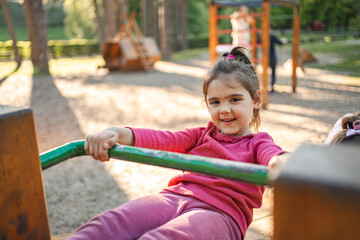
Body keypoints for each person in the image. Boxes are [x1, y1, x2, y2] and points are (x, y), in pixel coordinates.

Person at [66, 47, 287, 240]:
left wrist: (283, 162)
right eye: (215, 102)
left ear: (256, 100)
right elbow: (160, 139)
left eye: (235, 99)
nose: (224, 109)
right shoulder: (201, 135)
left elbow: (274, 156)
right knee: (108, 223)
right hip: (174, 198)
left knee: (163, 238)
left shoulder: (257, 143)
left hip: (221, 214)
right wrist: (115, 132)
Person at [269, 26, 284, 93]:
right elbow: (280, 43)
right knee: (273, 72)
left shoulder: (261, 36)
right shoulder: (272, 36)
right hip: (272, 56)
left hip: (264, 56)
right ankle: (272, 87)